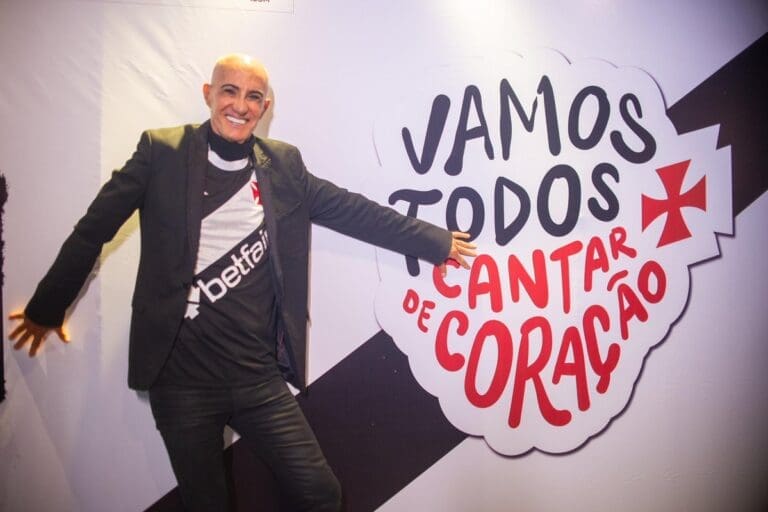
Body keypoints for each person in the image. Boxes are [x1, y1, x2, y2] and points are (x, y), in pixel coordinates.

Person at [8, 54, 476, 512]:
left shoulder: (283, 165)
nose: (240, 105)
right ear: (208, 94)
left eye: (254, 96)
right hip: (181, 384)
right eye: (229, 91)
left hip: (257, 379)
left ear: (265, 107)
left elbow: (351, 210)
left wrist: (435, 242)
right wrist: (46, 309)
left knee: (321, 494)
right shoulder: (162, 153)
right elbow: (94, 229)